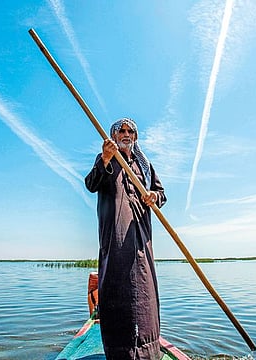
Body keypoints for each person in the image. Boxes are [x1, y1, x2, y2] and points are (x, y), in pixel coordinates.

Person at [85, 117, 167, 360]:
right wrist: (106, 159)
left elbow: (161, 193)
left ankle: (148, 350)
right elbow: (90, 184)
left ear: (135, 137)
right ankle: (121, 352)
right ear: (114, 135)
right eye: (120, 130)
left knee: (145, 287)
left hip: (141, 237)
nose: (125, 133)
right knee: (116, 285)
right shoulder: (106, 159)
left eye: (130, 130)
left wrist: (153, 195)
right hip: (116, 238)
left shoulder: (144, 166)